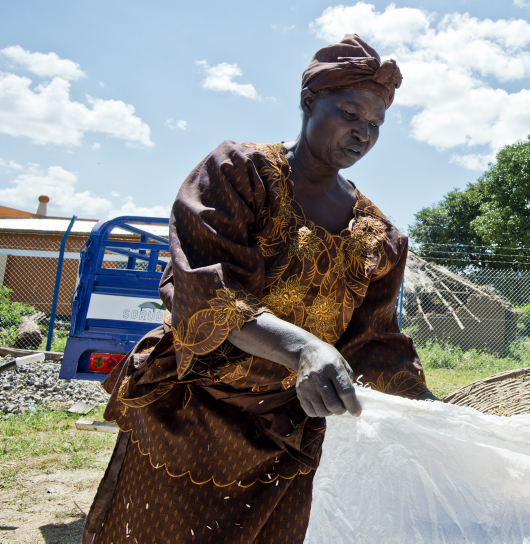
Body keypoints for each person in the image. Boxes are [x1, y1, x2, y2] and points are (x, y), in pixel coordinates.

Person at [82, 34, 437, 543]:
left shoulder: (379, 236)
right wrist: (304, 347)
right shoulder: (239, 174)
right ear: (309, 100)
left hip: (291, 435)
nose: (363, 133)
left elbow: (373, 343)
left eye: (376, 124)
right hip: (192, 416)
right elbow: (204, 288)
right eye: (351, 113)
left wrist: (434, 410)